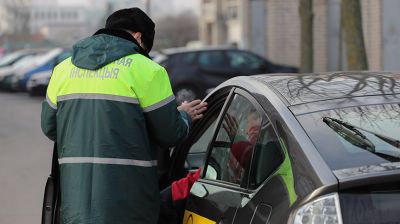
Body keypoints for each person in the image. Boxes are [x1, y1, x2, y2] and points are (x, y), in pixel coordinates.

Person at [41, 8, 207, 224]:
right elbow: (169, 134)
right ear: (139, 37)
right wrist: (183, 116)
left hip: (76, 207)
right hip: (129, 208)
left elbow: (49, 127)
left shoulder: (62, 70)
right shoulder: (149, 70)